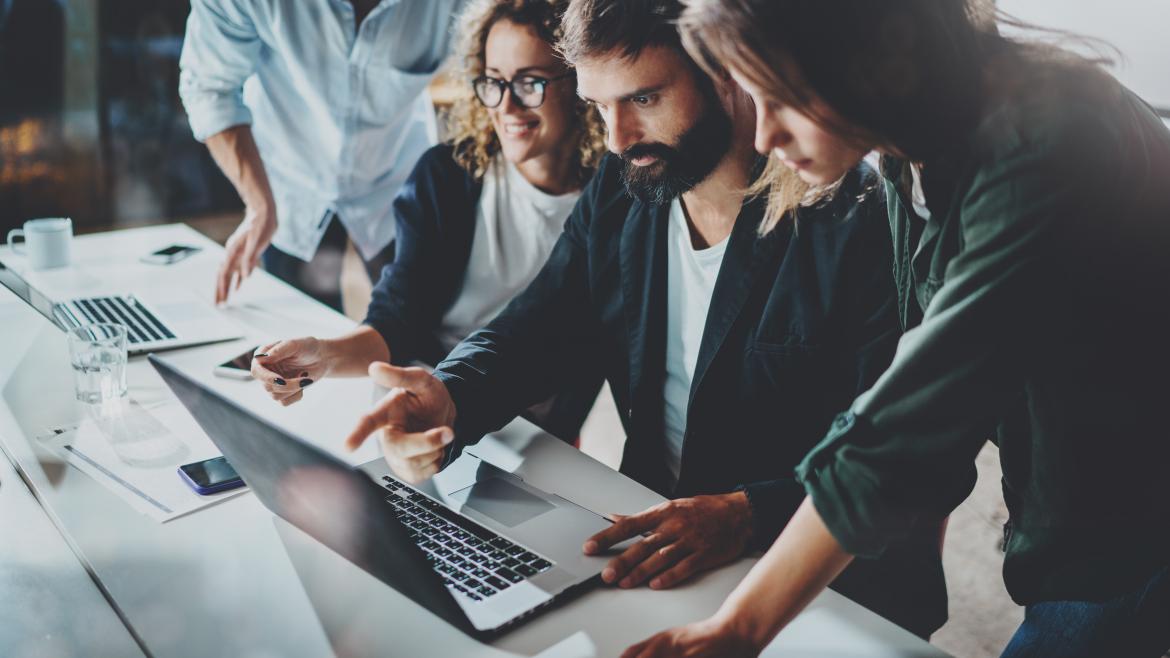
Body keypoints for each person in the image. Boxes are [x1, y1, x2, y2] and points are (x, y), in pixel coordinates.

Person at [339, 0, 949, 639]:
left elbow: (902, 463)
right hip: (651, 541)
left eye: (645, 99)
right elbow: (540, 325)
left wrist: (744, 514)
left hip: (817, 584)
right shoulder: (623, 184)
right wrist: (450, 394)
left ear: (727, 72)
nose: (619, 138)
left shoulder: (859, 219)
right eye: (600, 107)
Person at [621, 1, 1170, 656]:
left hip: (1134, 529)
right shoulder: (906, 143)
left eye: (782, 98)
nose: (764, 135)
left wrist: (738, 627)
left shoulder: (1047, 147)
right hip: (1076, 508)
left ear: (865, 58)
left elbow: (911, 424)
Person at [249, 0, 607, 440]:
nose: (508, 106)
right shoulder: (446, 178)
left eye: (530, 82)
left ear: (580, 84)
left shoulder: (612, 205)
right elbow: (397, 320)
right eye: (493, 82)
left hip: (535, 429)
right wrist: (323, 356)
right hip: (422, 406)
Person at [179, 0, 466, 310]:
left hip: (396, 174)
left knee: (419, 325)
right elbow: (210, 89)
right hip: (290, 186)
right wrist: (259, 204)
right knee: (298, 335)